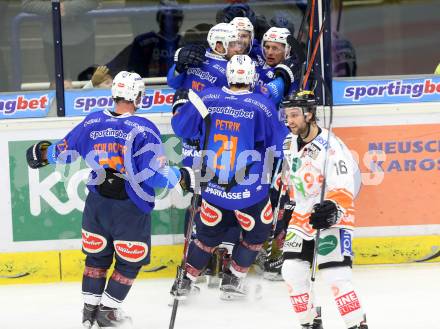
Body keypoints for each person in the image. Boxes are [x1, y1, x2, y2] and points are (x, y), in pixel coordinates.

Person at [26, 71, 192, 328]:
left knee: (96, 257)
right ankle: (109, 311)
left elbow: (63, 152)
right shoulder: (143, 128)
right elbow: (157, 177)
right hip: (129, 205)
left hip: (96, 204)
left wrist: (43, 153)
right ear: (138, 96)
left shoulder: (92, 121)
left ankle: (89, 312)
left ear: (114, 93)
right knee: (129, 260)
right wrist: (182, 177)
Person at [170, 54, 288, 300]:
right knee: (257, 232)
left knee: (206, 235)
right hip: (248, 190)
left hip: (211, 187)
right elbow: (277, 145)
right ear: (252, 78)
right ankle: (233, 279)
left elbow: (182, 129)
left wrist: (183, 107)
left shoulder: (207, 97)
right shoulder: (261, 105)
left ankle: (185, 281)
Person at [279, 90, 368, 329]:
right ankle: (310, 322)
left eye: (295, 115)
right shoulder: (288, 142)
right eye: (287, 115)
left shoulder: (332, 147)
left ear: (309, 115)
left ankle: (356, 324)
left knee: (336, 276)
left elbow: (344, 184)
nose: (289, 121)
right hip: (302, 214)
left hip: (332, 215)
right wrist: (288, 205)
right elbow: (295, 176)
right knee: (292, 271)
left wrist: (332, 209)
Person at [21, 0, 99, 87]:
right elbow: (27, 4)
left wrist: (66, 8)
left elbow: (93, 1)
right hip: (52, 38)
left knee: (84, 86)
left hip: (83, 37)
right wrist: (55, 8)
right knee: (57, 86)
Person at [106, 0, 184, 78]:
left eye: (175, 19)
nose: (172, 23)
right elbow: (131, 71)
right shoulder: (144, 42)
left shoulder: (184, 43)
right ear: (160, 19)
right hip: (148, 87)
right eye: (168, 19)